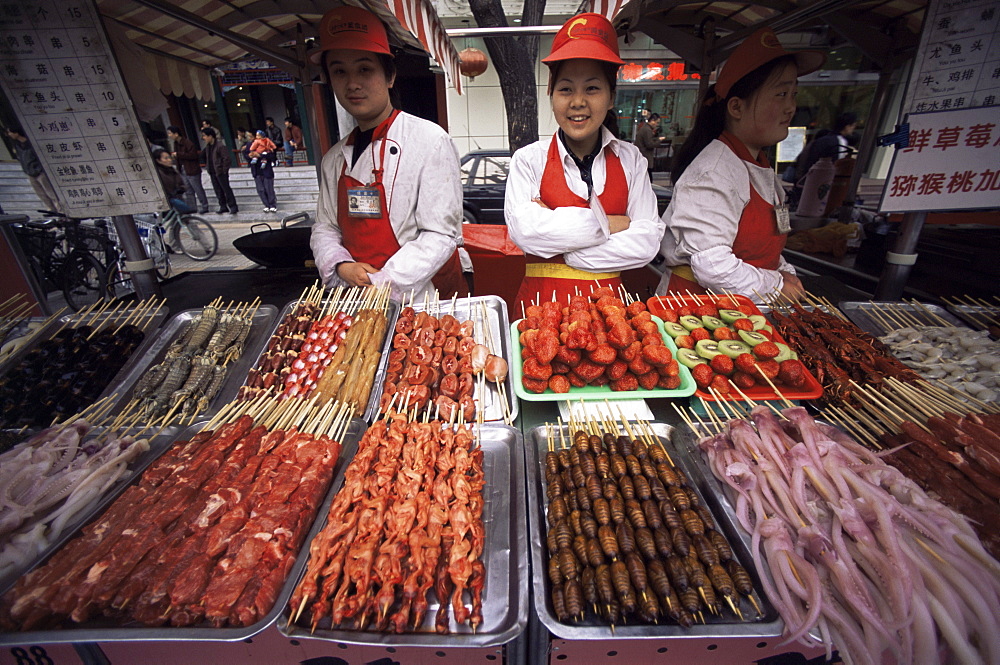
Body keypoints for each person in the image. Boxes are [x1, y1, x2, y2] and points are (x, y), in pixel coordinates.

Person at [504, 13, 662, 310]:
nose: (577, 102)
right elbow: (525, 231)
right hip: (539, 311)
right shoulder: (528, 160)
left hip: (610, 316)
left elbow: (647, 242)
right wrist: (613, 224)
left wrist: (570, 251)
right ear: (551, 94)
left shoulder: (631, 160)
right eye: (566, 89)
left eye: (592, 88)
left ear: (611, 96)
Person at [655, 27, 825, 303]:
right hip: (697, 311)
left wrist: (785, 273)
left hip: (742, 306)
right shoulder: (714, 172)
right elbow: (713, 266)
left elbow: (761, 250)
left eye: (793, 94)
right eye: (780, 94)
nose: (790, 107)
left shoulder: (757, 166)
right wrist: (777, 285)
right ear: (736, 107)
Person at [309, 6, 465, 300]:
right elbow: (325, 226)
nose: (352, 83)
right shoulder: (333, 160)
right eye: (339, 71)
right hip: (356, 296)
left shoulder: (430, 141)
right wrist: (342, 266)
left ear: (390, 75)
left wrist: (383, 282)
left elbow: (440, 234)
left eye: (365, 69)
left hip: (421, 299)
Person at [5, 126, 62, 213]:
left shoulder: (30, 143)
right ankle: (52, 212)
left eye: (10, 132)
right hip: (30, 172)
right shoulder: (17, 145)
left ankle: (61, 212)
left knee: (51, 193)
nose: (9, 134)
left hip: (40, 172)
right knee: (42, 194)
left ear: (16, 133)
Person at [167, 125, 209, 213]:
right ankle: (192, 208)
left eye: (170, 133)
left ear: (176, 134)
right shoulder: (176, 143)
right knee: (188, 190)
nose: (169, 135)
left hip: (192, 169)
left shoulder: (187, 143)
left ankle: (204, 206)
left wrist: (179, 154)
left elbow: (193, 155)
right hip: (182, 169)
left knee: (197, 188)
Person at [201, 128, 238, 214]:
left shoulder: (220, 146)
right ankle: (223, 206)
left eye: (205, 136)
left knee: (226, 189)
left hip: (220, 171)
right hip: (212, 171)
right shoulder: (207, 147)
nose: (204, 138)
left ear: (210, 136)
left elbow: (227, 159)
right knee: (218, 190)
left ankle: (232, 206)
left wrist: (224, 170)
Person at [250, 144, 278, 213]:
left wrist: (260, 155)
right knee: (260, 189)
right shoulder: (250, 147)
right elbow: (247, 156)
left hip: (266, 172)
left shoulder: (267, 147)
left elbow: (272, 157)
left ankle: (272, 205)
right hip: (257, 172)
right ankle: (266, 205)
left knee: (269, 189)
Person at [635, 112, 662, 178]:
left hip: (642, 155)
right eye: (657, 122)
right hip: (645, 156)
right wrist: (659, 140)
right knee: (648, 178)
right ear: (652, 121)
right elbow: (649, 144)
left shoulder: (645, 128)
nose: (656, 125)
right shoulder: (647, 130)